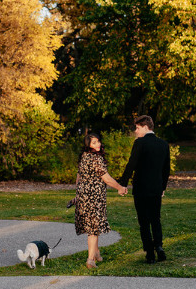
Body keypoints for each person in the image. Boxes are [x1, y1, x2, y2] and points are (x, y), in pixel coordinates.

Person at [118, 114, 171, 264]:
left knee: (144, 221)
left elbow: (131, 164)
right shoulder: (163, 144)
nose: (135, 131)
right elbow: (165, 169)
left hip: (141, 188)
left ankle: (149, 252)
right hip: (156, 188)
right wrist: (163, 187)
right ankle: (159, 247)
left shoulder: (140, 143)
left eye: (137, 127)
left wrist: (123, 183)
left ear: (145, 127)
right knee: (155, 219)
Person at [73, 133, 128, 269]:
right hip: (94, 197)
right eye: (94, 143)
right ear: (88, 145)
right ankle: (90, 260)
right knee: (93, 228)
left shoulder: (84, 157)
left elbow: (78, 178)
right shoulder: (96, 158)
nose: (98, 144)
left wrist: (78, 194)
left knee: (92, 226)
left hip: (83, 195)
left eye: (98, 141)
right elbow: (107, 178)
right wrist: (120, 187)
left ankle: (96, 253)